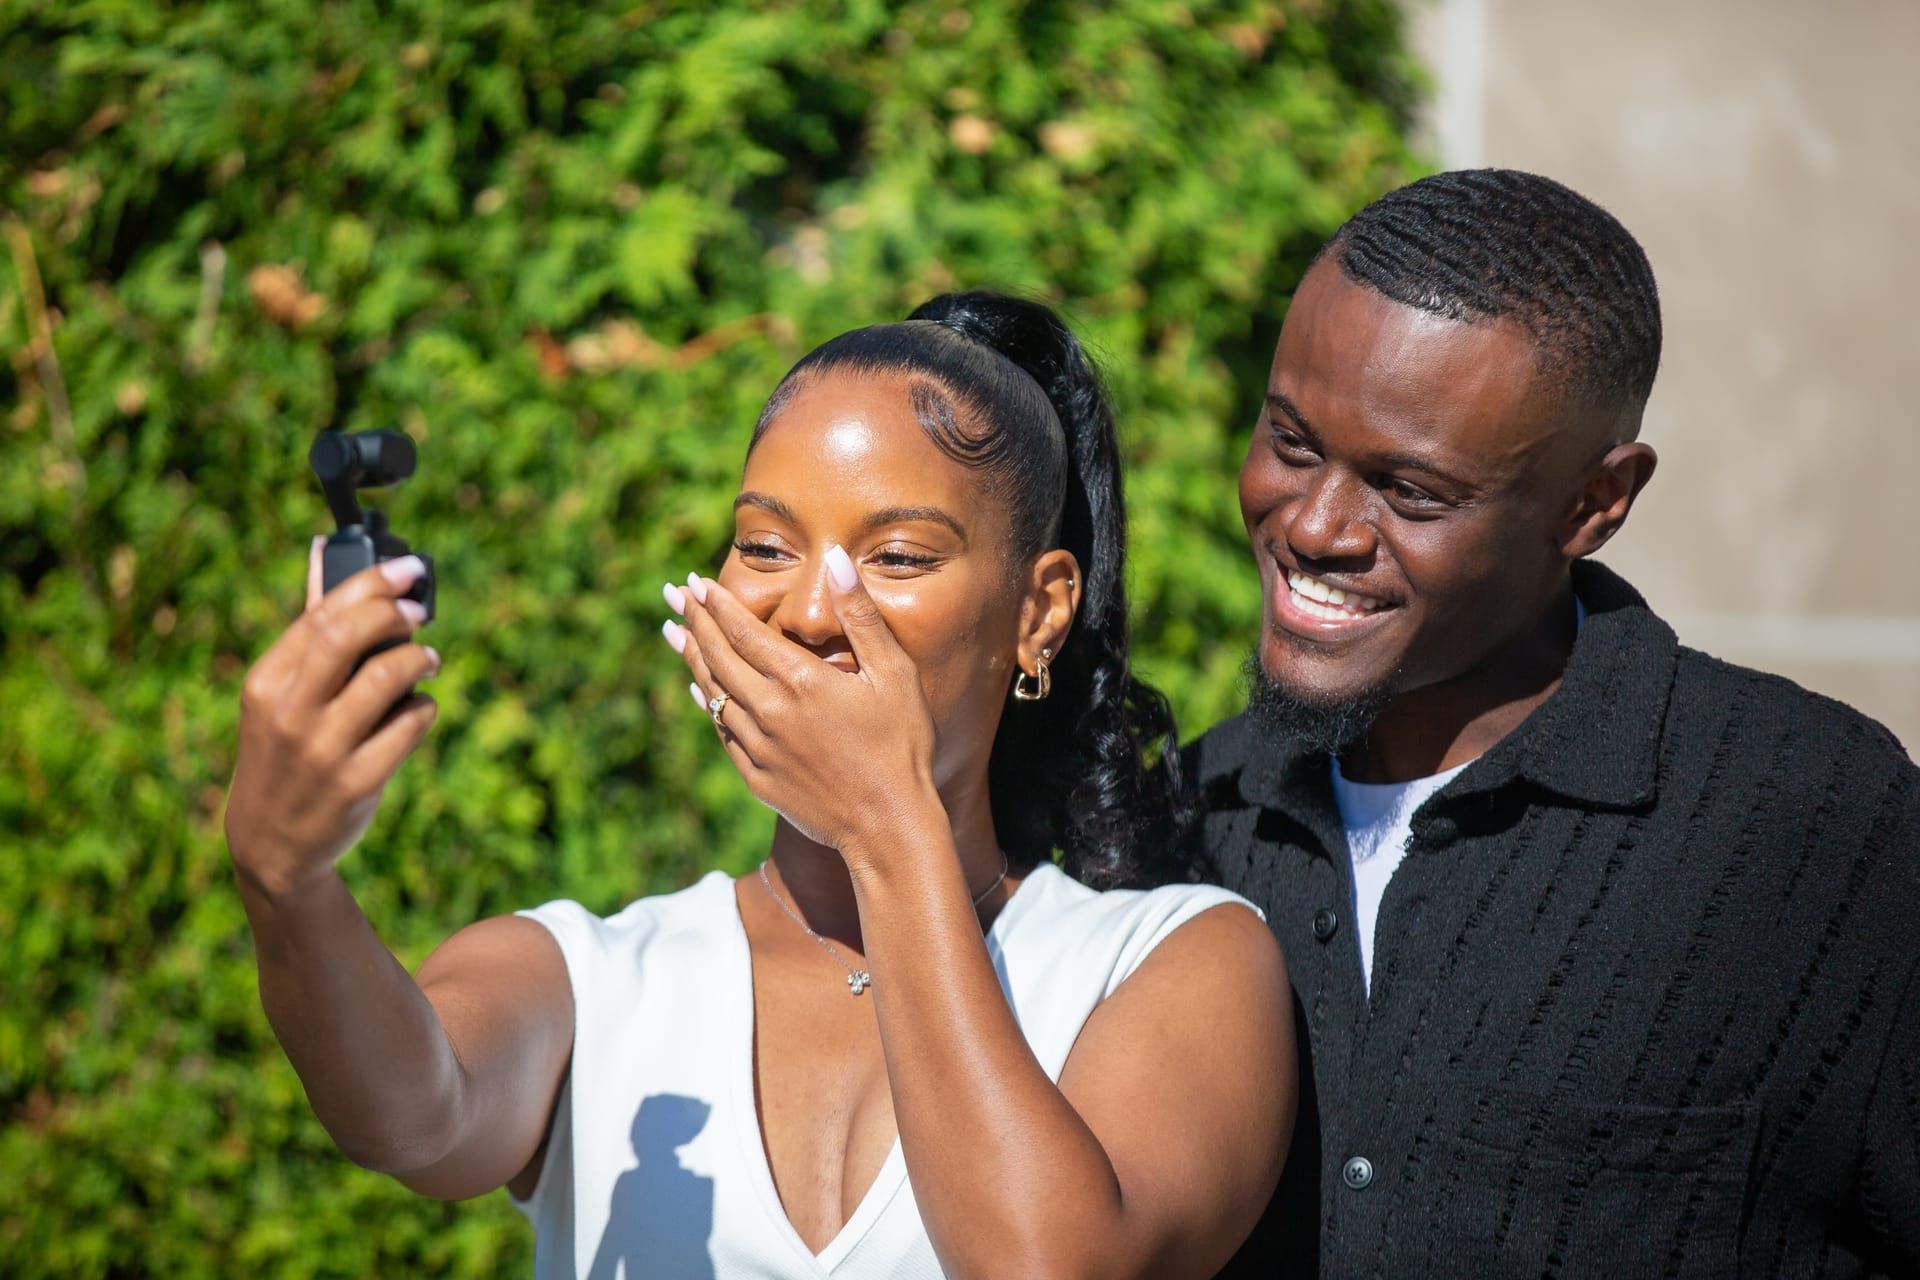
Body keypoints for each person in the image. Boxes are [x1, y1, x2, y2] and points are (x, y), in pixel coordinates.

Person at [224, 291, 1296, 1279]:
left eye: (900, 557)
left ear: (1039, 612)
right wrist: (286, 877)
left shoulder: (1174, 965)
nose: (814, 613)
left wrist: (887, 827)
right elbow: (413, 1116)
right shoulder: (597, 978)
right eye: (765, 544)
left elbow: (1050, 1262)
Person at [1190, 169, 1920, 1277]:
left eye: (1409, 490)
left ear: (1595, 503)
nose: (1316, 525)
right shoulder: (1179, 820)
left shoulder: (1817, 820)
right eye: (1292, 442)